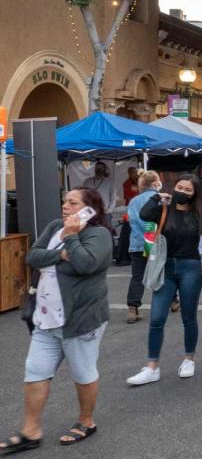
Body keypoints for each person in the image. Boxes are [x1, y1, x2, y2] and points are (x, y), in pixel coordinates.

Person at [0, 188, 112, 453]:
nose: (65, 206)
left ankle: (86, 421)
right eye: (64, 201)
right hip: (45, 318)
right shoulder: (54, 227)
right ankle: (31, 430)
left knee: (83, 373)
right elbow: (32, 256)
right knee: (35, 371)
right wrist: (62, 255)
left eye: (72, 203)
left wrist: (71, 238)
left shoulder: (99, 234)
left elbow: (86, 265)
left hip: (80, 318)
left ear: (89, 209)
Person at [126, 174, 202, 386]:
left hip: (190, 267)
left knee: (188, 316)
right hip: (165, 267)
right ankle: (151, 366)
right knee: (156, 317)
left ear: (195, 195)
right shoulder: (164, 208)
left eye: (187, 190)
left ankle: (189, 358)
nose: (182, 192)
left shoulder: (200, 214)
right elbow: (145, 215)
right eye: (179, 187)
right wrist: (157, 198)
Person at [125, 170, 163, 324]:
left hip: (137, 242)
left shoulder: (133, 201)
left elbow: (132, 221)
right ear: (155, 183)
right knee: (162, 271)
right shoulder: (159, 198)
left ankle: (132, 308)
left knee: (137, 276)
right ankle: (173, 301)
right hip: (154, 240)